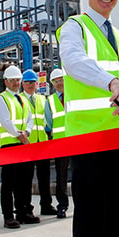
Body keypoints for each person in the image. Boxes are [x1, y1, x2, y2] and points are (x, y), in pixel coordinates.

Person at [56, 0, 119, 237]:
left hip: (117, 143)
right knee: (89, 228)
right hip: (88, 143)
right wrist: (110, 81)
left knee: (114, 228)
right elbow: (72, 61)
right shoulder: (75, 27)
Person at [0, 64, 33, 229]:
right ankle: (8, 216)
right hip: (9, 145)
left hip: (22, 144)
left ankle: (23, 212)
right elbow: (5, 120)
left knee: (23, 182)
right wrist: (20, 135)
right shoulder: (1, 98)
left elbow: (29, 117)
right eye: (13, 80)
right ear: (6, 82)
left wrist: (27, 132)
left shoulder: (22, 99)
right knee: (8, 183)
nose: (16, 83)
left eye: (18, 80)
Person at [21, 68, 58, 219]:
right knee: (26, 178)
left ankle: (46, 205)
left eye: (33, 83)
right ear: (23, 84)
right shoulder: (20, 99)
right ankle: (26, 208)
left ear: (37, 84)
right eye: (28, 83)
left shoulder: (43, 100)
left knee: (45, 177)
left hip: (42, 142)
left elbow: (48, 120)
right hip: (27, 144)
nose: (31, 85)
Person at [47, 68, 69, 218]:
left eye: (61, 80)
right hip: (60, 144)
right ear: (52, 84)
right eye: (56, 82)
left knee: (81, 173)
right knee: (61, 177)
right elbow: (48, 124)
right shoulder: (50, 101)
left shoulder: (74, 96)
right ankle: (62, 206)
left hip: (76, 140)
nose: (59, 83)